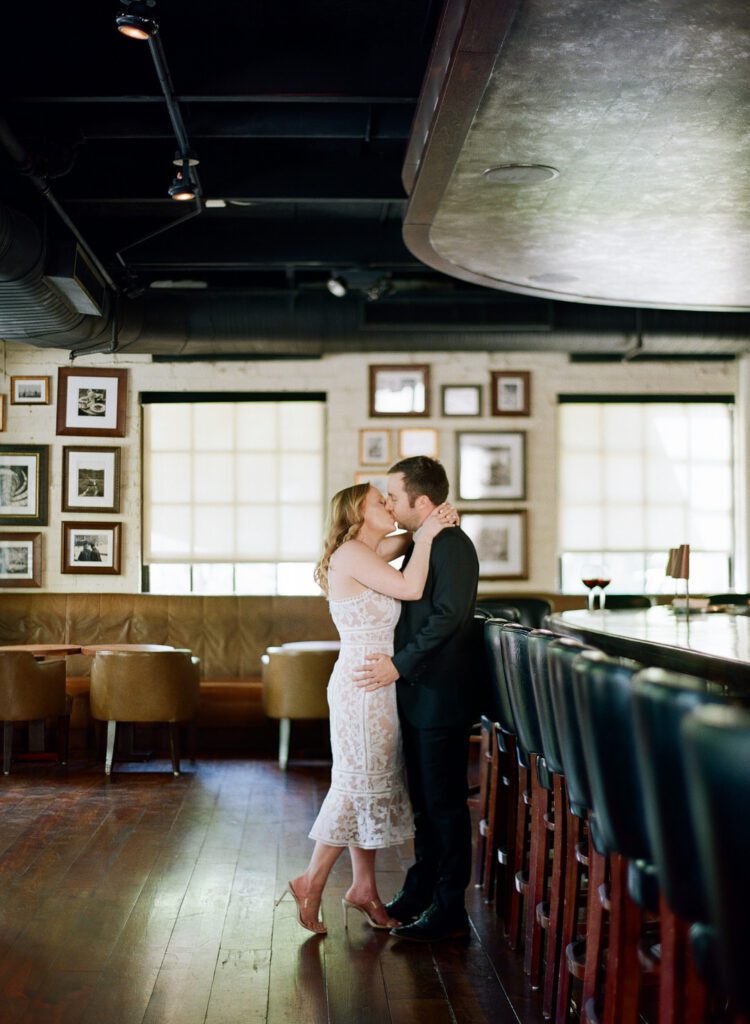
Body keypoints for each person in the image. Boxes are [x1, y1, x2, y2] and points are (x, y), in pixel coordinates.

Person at [279, 481, 458, 935]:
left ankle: (363, 888)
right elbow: (412, 586)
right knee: (355, 784)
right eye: (381, 501)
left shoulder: (368, 550)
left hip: (376, 682)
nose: (390, 505)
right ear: (358, 512)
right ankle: (311, 879)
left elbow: (409, 538)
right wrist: (430, 534)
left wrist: (431, 524)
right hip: (362, 684)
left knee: (371, 784)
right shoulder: (353, 555)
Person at [355, 456, 480, 942]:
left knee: (444, 806)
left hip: (440, 696)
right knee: (426, 806)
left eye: (394, 496)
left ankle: (449, 910)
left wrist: (399, 664)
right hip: (419, 694)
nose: (388, 502)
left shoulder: (453, 546)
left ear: (421, 502)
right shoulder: (427, 540)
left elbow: (447, 618)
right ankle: (421, 890)